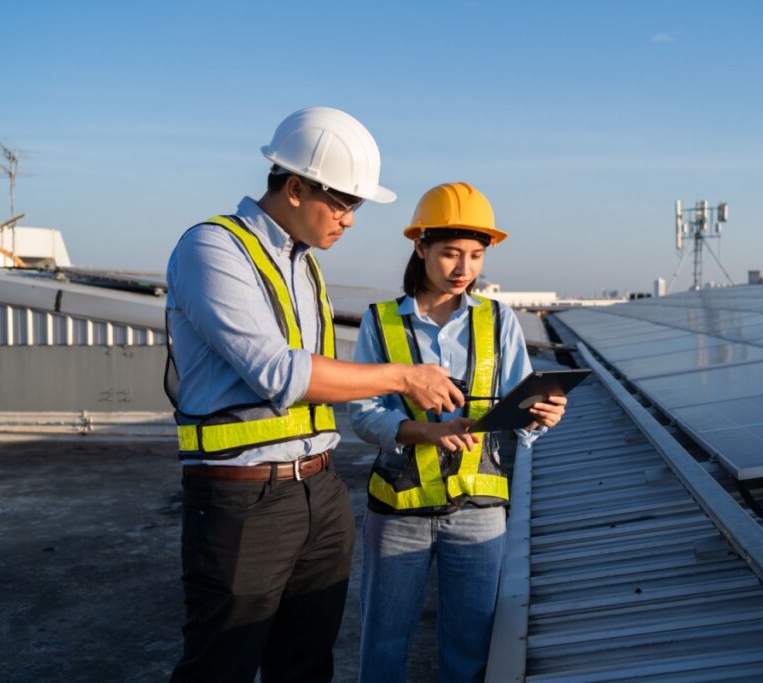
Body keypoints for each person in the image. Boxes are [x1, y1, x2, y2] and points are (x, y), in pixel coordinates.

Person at [164, 107, 465, 683]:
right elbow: (280, 373)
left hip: (319, 493)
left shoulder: (306, 267)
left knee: (305, 666)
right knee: (220, 665)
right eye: (345, 203)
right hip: (242, 500)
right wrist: (405, 376)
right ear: (295, 187)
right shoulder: (213, 250)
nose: (351, 221)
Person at [350, 182, 567, 682]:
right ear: (420, 246)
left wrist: (541, 418)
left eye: (474, 255)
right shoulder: (381, 323)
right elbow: (363, 415)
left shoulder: (498, 320)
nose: (463, 268)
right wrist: (426, 433)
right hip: (399, 511)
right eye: (450, 253)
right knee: (383, 646)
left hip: (479, 513)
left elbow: (520, 408)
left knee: (471, 651)